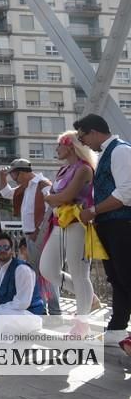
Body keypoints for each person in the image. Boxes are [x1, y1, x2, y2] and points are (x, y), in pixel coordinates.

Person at [75, 114, 131, 350]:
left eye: (82, 136)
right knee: (117, 278)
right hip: (110, 226)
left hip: (123, 225)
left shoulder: (120, 151)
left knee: (127, 277)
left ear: (94, 132)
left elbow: (126, 194)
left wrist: (94, 210)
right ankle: (118, 326)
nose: (82, 142)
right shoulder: (107, 154)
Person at [41, 130, 99, 334]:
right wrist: (52, 197)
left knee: (79, 272)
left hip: (77, 225)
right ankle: (88, 297)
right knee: (47, 269)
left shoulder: (84, 169)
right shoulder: (63, 170)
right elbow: (56, 197)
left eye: (59, 144)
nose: (56, 149)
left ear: (70, 146)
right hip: (59, 224)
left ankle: (81, 323)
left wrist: (50, 197)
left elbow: (63, 196)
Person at [0, 158, 60, 315]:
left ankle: (55, 311)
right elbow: (7, 193)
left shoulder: (43, 184)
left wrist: (41, 230)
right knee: (39, 272)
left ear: (23, 173)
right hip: (32, 235)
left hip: (42, 234)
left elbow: (54, 207)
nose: (13, 178)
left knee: (47, 272)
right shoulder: (26, 187)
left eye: (14, 175)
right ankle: (45, 308)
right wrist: (3, 178)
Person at [0, 233, 45, 338]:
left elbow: (22, 303)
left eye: (6, 247)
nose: (3, 250)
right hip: (4, 311)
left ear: (12, 249)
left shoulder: (22, 269)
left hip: (27, 315)